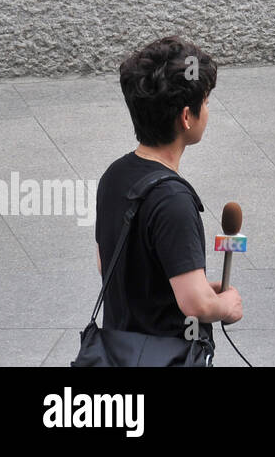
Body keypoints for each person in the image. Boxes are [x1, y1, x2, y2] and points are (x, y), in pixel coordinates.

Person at [95, 36, 243, 358]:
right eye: (205, 102)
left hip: (118, 352)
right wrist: (224, 306)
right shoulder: (173, 200)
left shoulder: (113, 176)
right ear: (186, 117)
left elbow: (107, 264)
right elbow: (196, 305)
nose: (208, 110)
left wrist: (185, 286)